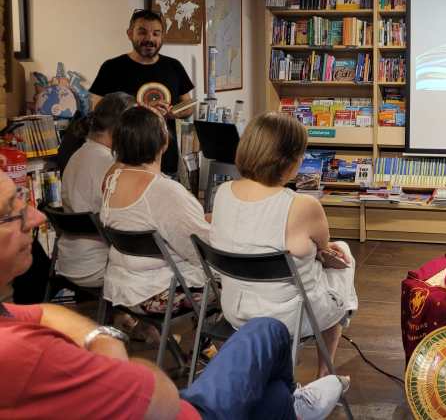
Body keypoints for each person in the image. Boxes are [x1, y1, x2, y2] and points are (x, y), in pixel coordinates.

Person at [0, 169, 346, 420]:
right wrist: (109, 348)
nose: (35, 216)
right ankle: (295, 403)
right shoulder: (24, 352)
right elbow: (160, 397)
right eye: (13, 212)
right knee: (267, 329)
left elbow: (44, 312)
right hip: (183, 411)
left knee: (272, 392)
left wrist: (98, 336)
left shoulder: (114, 178)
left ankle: (292, 407)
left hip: (122, 291)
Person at [210, 112, 358, 379]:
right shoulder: (302, 205)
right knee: (344, 255)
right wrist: (326, 254)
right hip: (289, 317)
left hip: (236, 310)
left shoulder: (222, 193)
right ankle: (325, 376)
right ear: (290, 159)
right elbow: (324, 248)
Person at [101, 106, 208, 315]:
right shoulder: (163, 190)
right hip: (157, 293)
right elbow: (201, 250)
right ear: (164, 141)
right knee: (238, 280)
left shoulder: (112, 179)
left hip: (120, 290)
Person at [90, 9, 195, 175]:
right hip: (123, 162)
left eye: (156, 33)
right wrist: (143, 111)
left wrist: (173, 113)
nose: (150, 39)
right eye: (142, 32)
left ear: (162, 36)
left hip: (166, 162)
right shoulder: (111, 67)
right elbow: (97, 110)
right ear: (129, 33)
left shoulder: (174, 66)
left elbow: (189, 107)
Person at [58, 92, 135, 289]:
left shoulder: (78, 155)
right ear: (121, 128)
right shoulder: (108, 164)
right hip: (100, 265)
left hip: (69, 262)